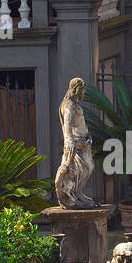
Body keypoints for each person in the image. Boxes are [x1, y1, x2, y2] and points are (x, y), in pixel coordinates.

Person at [55, 77, 99, 209]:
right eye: (83, 89)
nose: (84, 92)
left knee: (88, 167)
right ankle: (73, 195)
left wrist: (88, 135)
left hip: (84, 141)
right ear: (77, 89)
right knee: (77, 170)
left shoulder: (75, 104)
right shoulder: (68, 104)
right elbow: (67, 124)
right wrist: (69, 141)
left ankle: (78, 193)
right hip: (76, 142)